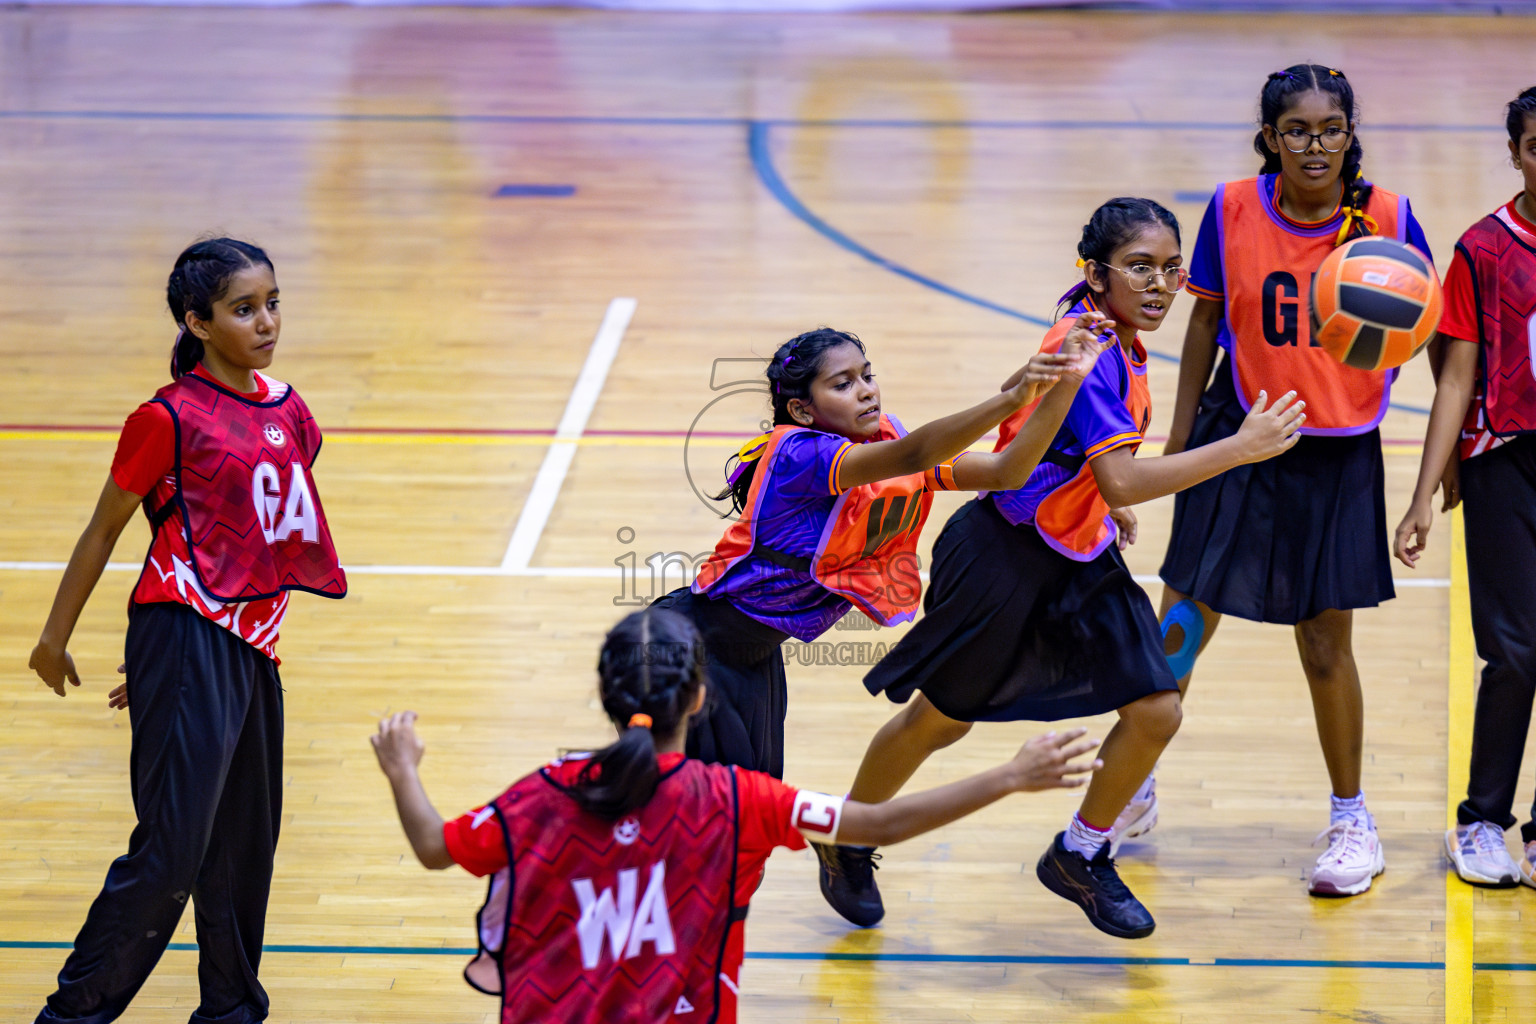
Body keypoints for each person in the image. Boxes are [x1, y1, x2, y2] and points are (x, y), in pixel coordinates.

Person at [818, 198, 1305, 939]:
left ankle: (1081, 853)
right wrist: (1240, 447)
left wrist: (1104, 503)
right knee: (940, 722)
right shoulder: (1090, 347)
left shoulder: (1102, 322)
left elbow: (1094, 467)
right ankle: (849, 836)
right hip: (1004, 558)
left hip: (1079, 553)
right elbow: (1121, 479)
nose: (1161, 285)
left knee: (1155, 709)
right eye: (1140, 268)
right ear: (1097, 272)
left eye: (1172, 269)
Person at [370, 607, 1102, 1024]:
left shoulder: (543, 794)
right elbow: (876, 825)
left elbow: (436, 848)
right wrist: (1010, 775)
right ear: (698, 699)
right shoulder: (738, 800)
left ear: (605, 697)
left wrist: (403, 769)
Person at [27, 237, 347, 1024]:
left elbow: (257, 542)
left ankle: (232, 1012)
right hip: (183, 634)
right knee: (170, 854)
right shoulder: (164, 418)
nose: (266, 321)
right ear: (197, 322)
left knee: (243, 852)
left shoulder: (291, 411)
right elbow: (104, 531)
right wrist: (55, 637)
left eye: (272, 303)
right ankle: (70, 1017)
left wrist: (180, 667)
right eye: (244, 310)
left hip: (249, 652)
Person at [1154, 64, 1433, 897]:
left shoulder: (1386, 215)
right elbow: (1204, 316)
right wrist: (1177, 441)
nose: (1317, 145)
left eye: (1332, 128)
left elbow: (1417, 320)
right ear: (1271, 137)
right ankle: (1129, 781)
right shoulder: (1234, 204)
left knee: (1324, 642)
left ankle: (1353, 816)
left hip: (1338, 443)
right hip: (1237, 430)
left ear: (1352, 132)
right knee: (1182, 615)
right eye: (1298, 130)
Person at [661, 321, 1112, 781]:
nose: (865, 391)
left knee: (746, 818)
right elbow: (917, 456)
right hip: (692, 648)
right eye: (843, 383)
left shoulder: (886, 449)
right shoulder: (800, 455)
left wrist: (1066, 384)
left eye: (867, 376)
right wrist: (1013, 398)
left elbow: (1006, 471)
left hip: (754, 658)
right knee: (709, 818)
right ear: (800, 409)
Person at [1394, 85, 1536, 889]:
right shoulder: (1483, 250)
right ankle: (1482, 821)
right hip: (1504, 463)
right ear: (1516, 152)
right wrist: (1422, 494)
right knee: (1515, 652)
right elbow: (1454, 381)